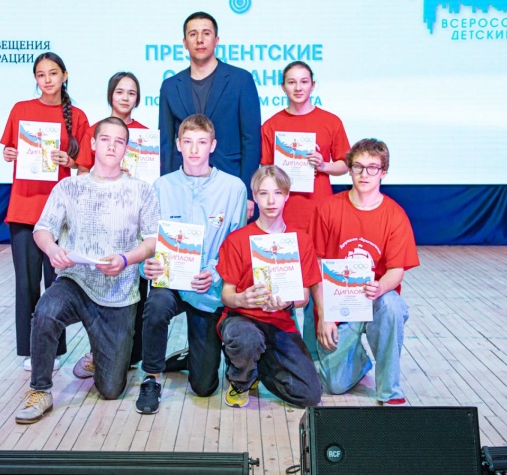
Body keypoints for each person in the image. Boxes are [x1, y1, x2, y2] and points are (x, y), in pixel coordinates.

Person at [15, 117, 160, 424]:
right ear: (93, 143)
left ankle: (98, 356)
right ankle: (40, 390)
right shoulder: (69, 187)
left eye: (119, 141)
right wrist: (52, 250)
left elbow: (151, 241)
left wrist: (126, 259)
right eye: (105, 139)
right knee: (46, 311)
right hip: (76, 282)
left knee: (111, 390)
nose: (111, 146)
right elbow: (42, 229)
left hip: (119, 293)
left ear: (127, 148)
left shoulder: (142, 190)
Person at [134, 114, 247, 414]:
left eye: (201, 142)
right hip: (170, 282)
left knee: (204, 386)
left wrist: (215, 273)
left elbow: (236, 245)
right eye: (188, 142)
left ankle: (191, 356)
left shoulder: (234, 188)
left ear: (213, 145)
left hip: (207, 287)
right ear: (178, 145)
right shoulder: (161, 186)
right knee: (156, 305)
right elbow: (148, 239)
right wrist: (146, 266)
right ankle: (152, 377)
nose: (194, 149)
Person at [309, 138, 419, 405]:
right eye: (358, 167)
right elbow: (315, 266)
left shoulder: (395, 215)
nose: (364, 174)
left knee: (392, 306)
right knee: (335, 386)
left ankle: (389, 391)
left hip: (374, 300)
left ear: (383, 172)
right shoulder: (328, 208)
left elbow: (396, 271)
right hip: (337, 305)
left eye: (372, 168)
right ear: (349, 170)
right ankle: (359, 359)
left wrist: (380, 287)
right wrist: (324, 314)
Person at [0, 52, 89, 370]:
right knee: (26, 283)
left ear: (65, 75)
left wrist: (71, 161)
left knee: (56, 284)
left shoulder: (77, 116)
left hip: (58, 213)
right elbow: (9, 149)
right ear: (35, 79)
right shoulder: (21, 110)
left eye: (53, 73)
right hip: (23, 208)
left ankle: (53, 348)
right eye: (41, 74)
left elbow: (86, 165)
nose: (47, 79)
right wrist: (9, 153)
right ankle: (30, 350)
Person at [215, 166, 322, 408]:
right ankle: (241, 379)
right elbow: (226, 294)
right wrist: (242, 299)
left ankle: (256, 367)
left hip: (279, 321)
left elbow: (304, 297)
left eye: (277, 193)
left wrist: (288, 302)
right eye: (263, 193)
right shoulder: (237, 239)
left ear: (287, 195)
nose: (271, 201)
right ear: (254, 196)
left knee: (309, 395)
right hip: (242, 319)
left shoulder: (301, 240)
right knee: (247, 339)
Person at [73, 71, 149, 378]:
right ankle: (98, 351)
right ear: (110, 95)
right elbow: (81, 174)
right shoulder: (96, 130)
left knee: (135, 289)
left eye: (131, 93)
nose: (125, 97)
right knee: (98, 287)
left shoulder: (146, 135)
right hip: (99, 222)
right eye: (120, 91)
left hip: (132, 222)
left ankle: (130, 354)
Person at [158, 11, 261, 212]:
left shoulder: (241, 80)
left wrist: (248, 194)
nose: (199, 39)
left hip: (229, 181)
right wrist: (167, 189)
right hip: (182, 185)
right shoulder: (170, 86)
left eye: (206, 33)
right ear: (184, 42)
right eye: (193, 34)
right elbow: (166, 143)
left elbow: (251, 140)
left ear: (216, 40)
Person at [260, 61, 350, 233]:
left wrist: (323, 166)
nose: (298, 88)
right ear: (283, 87)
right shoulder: (271, 125)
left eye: (304, 82)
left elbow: (345, 164)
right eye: (291, 82)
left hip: (319, 204)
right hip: (284, 208)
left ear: (312, 85)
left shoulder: (331, 122)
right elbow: (266, 170)